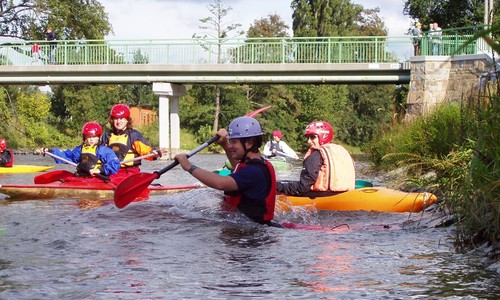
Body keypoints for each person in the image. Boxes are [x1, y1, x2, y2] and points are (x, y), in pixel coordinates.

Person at [174, 116, 277, 225]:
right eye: (229, 141)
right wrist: (224, 144)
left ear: (249, 143)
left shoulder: (254, 171)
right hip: (244, 224)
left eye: (234, 142)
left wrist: (189, 167)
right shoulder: (253, 164)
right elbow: (237, 168)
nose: (230, 145)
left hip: (250, 232)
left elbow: (220, 183)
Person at [277, 120, 356, 197]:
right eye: (308, 138)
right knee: (282, 182)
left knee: (276, 185)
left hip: (325, 195)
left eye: (312, 137)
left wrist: (278, 187)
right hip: (345, 192)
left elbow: (302, 188)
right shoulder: (341, 151)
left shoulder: (316, 155)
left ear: (323, 136)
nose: (308, 141)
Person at [101, 104, 164, 181]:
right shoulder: (107, 136)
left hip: (130, 172)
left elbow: (144, 150)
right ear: (112, 120)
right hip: (111, 171)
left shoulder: (133, 135)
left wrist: (153, 153)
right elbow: (98, 154)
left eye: (121, 118)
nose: (118, 122)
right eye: (116, 119)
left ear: (127, 120)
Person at [40, 122, 120, 181]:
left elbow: (115, 163)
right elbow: (66, 157)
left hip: (97, 178)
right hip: (81, 177)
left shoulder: (103, 150)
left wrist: (99, 170)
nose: (91, 139)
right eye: (88, 137)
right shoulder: (80, 150)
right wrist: (50, 151)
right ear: (84, 138)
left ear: (98, 137)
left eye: (94, 137)